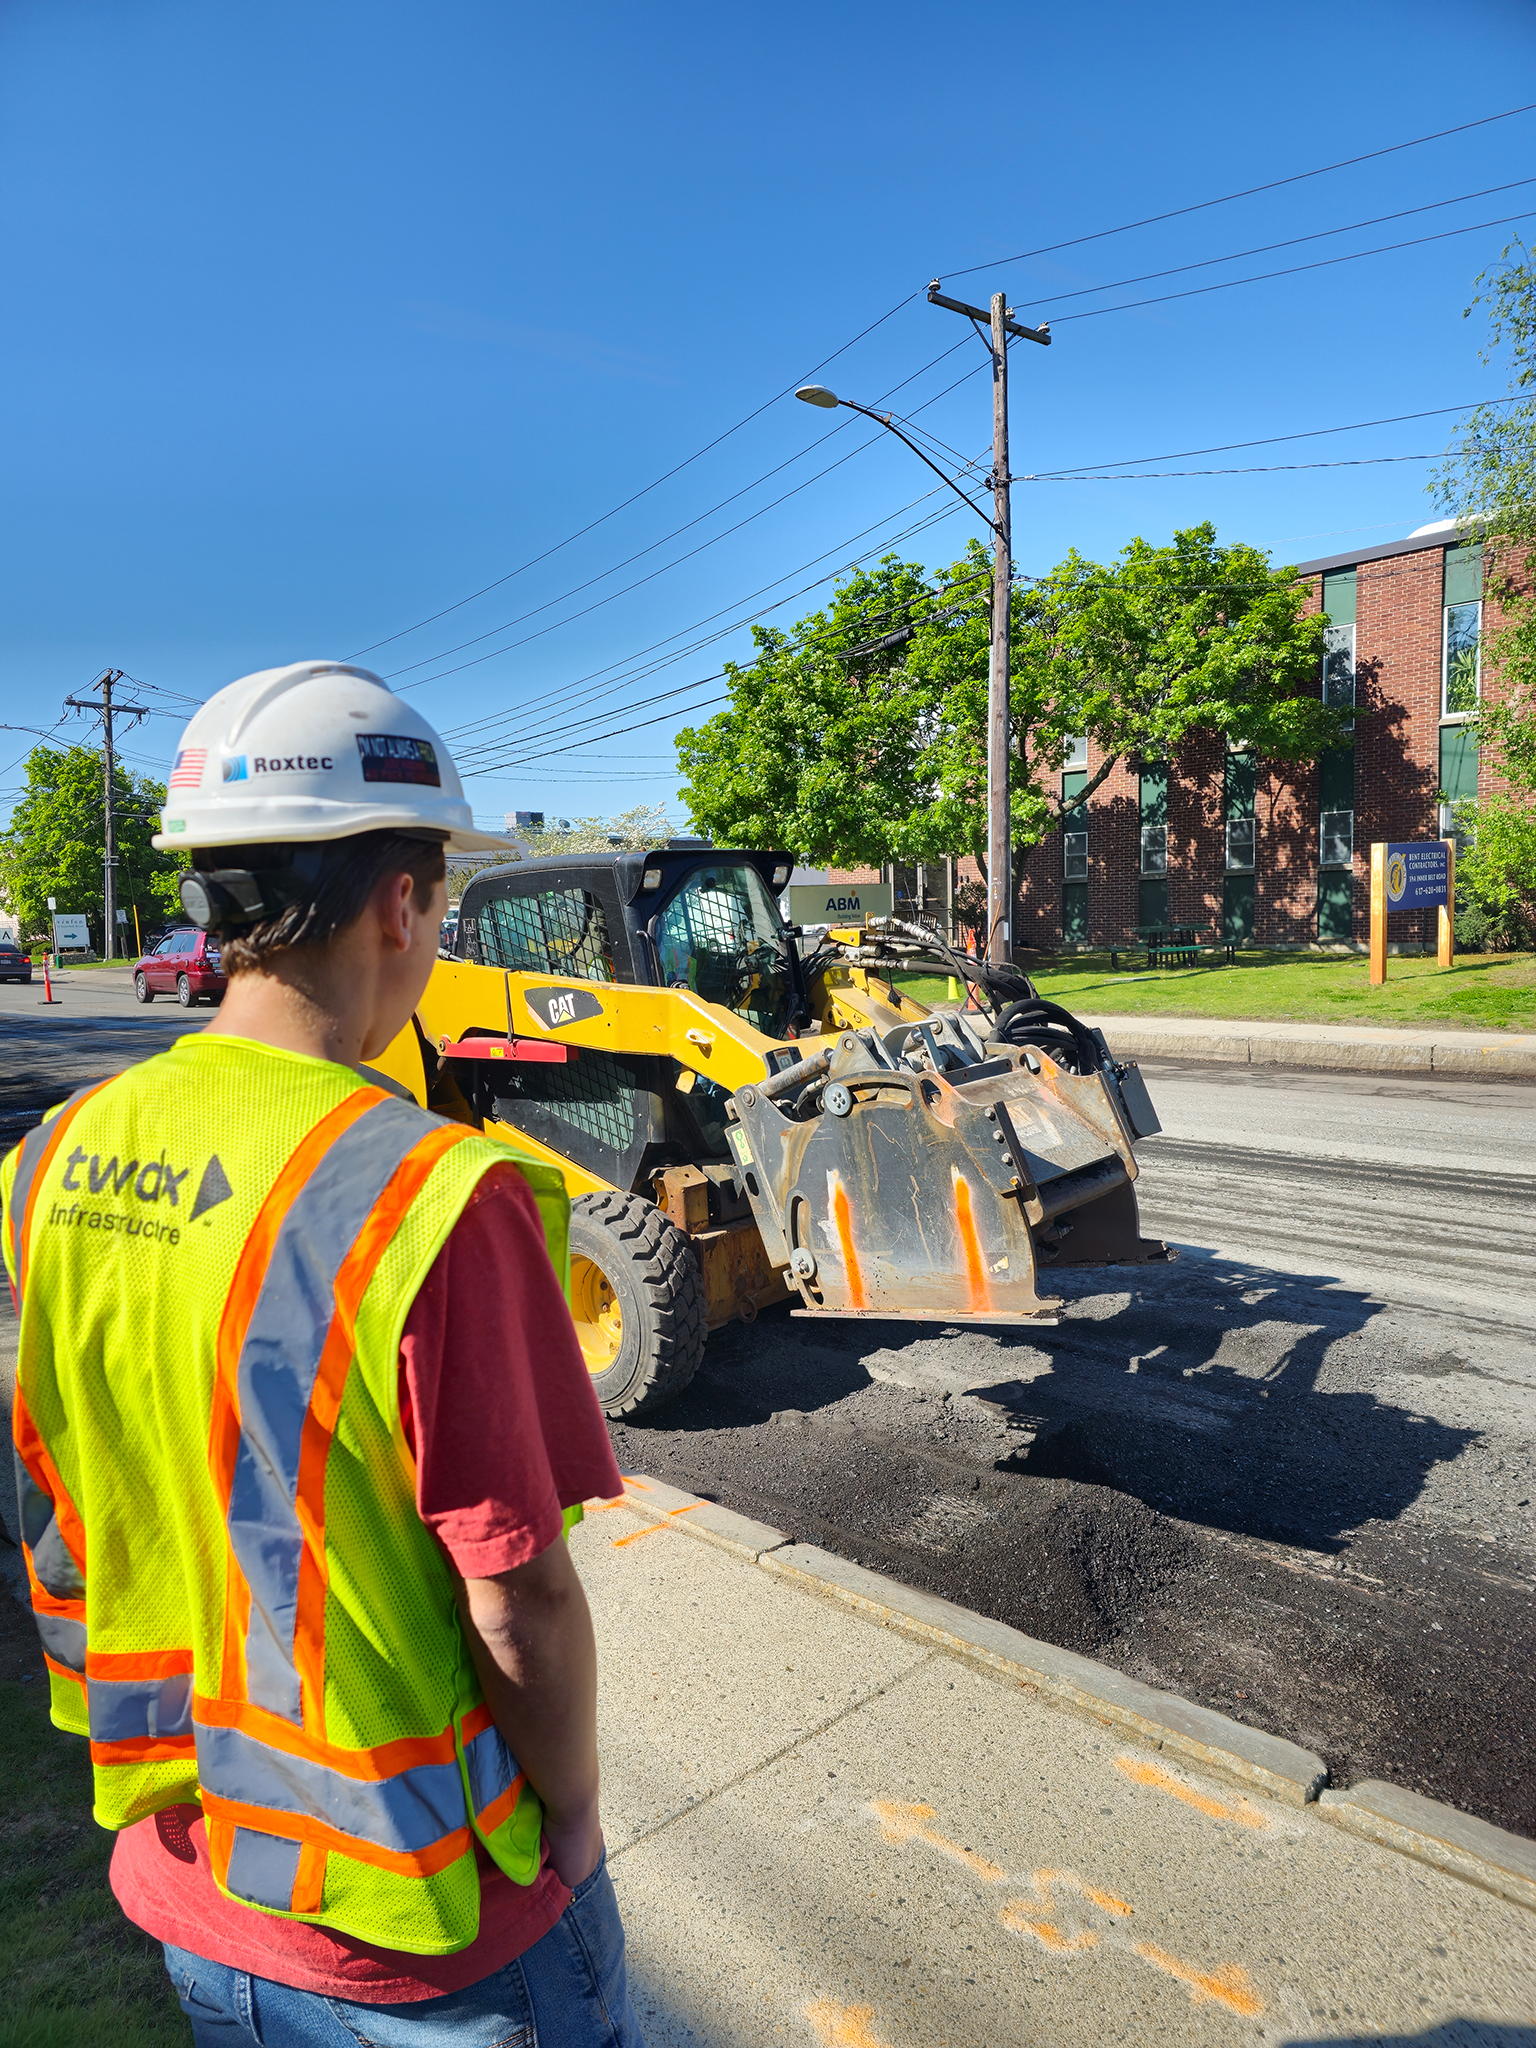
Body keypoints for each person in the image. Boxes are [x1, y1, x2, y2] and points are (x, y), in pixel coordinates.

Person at [2, 661, 644, 2044]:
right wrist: (578, 1816)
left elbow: (64, 1490)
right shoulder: (435, 1196)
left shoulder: (54, 1156)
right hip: (431, 1930)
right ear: (400, 904)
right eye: (440, 908)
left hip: (193, 1888)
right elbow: (520, 1601)